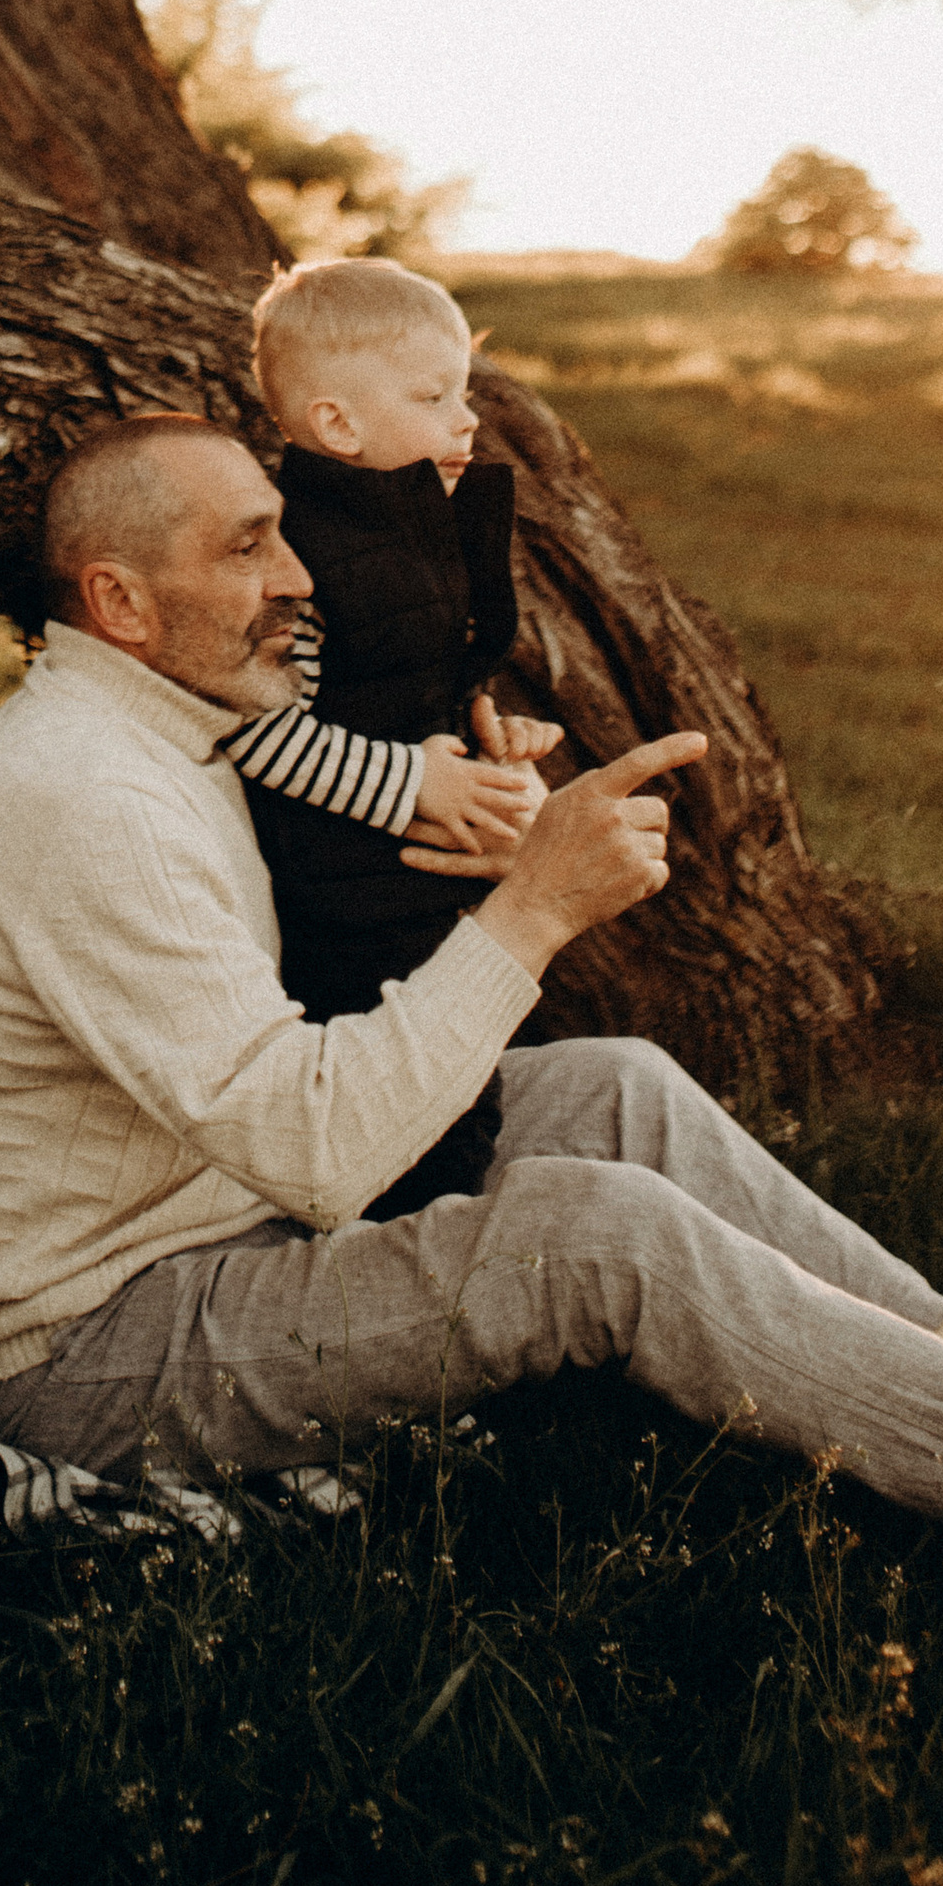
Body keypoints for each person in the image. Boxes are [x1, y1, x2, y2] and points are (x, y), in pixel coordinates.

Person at [0, 412, 943, 1526]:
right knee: (594, 1235)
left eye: (280, 530)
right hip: (93, 1351)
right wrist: (532, 909)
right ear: (119, 602)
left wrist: (471, 835)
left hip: (208, 1208)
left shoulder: (172, 732)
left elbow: (274, 1016)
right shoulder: (81, 800)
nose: (299, 576)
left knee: (615, 1088)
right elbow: (316, 1153)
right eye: (246, 546)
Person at [218, 257, 558, 1213]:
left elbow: (405, 686)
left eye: (465, 394)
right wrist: (413, 783)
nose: (467, 420)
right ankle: (421, 1248)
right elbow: (262, 733)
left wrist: (486, 740)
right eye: (433, 396)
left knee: (461, 1070)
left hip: (403, 877)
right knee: (415, 1106)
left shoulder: (411, 532)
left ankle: (459, 1223)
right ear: (338, 425)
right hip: (339, 899)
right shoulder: (303, 558)